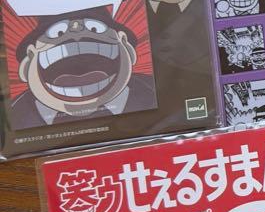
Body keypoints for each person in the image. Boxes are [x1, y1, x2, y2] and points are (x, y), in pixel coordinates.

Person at [11, 8, 156, 128]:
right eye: (57, 32)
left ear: (126, 46)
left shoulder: (154, 90)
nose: (76, 34)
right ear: (27, 62)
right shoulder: (13, 115)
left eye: (94, 28)